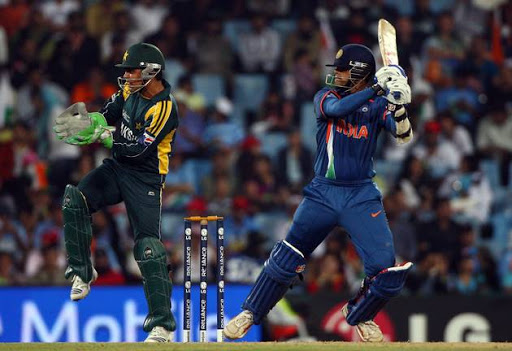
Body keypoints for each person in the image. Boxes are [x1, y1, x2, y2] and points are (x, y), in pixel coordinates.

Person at [224, 44, 414, 342]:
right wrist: (378, 87)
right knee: (287, 256)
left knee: (386, 269)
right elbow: (337, 110)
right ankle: (250, 312)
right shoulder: (324, 97)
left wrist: (399, 103)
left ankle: (361, 314)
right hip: (323, 192)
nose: (336, 75)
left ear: (359, 73)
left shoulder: (378, 105)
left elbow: (403, 136)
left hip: (360, 194)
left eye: (342, 70)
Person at [53, 43, 178, 342]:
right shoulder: (129, 92)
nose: (127, 77)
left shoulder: (165, 107)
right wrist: (93, 122)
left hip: (146, 178)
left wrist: (104, 136)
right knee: (75, 199)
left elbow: (138, 150)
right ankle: (82, 272)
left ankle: (162, 325)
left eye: (132, 70)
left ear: (152, 71)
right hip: (118, 168)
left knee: (148, 248)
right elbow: (108, 114)